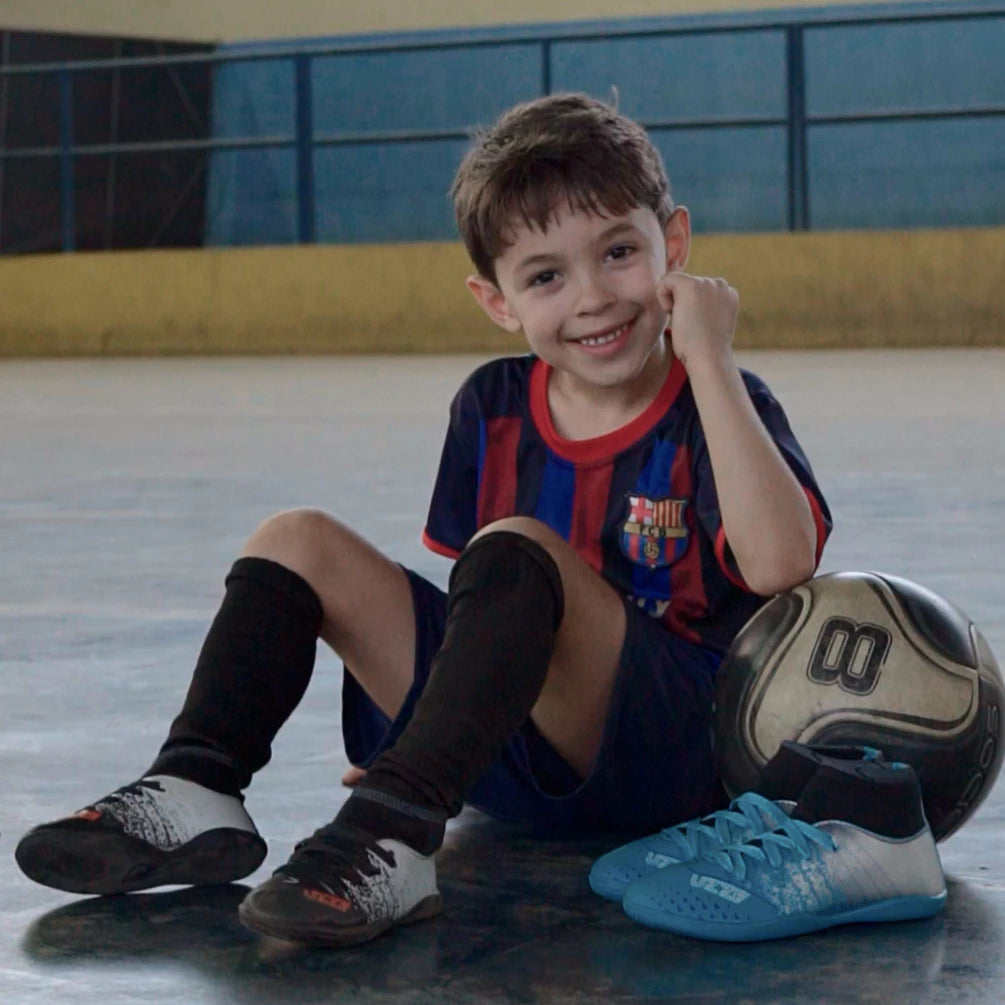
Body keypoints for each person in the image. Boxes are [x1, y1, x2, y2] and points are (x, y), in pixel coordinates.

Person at [15, 92, 831, 948]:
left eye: (619, 253)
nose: (592, 297)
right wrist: (436, 733)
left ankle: (393, 835)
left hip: (669, 761)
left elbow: (781, 565)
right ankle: (197, 783)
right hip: (511, 761)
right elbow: (482, 613)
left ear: (673, 246)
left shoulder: (718, 402)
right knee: (297, 539)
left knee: (515, 548)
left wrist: (710, 355)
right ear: (496, 301)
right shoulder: (493, 405)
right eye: (546, 275)